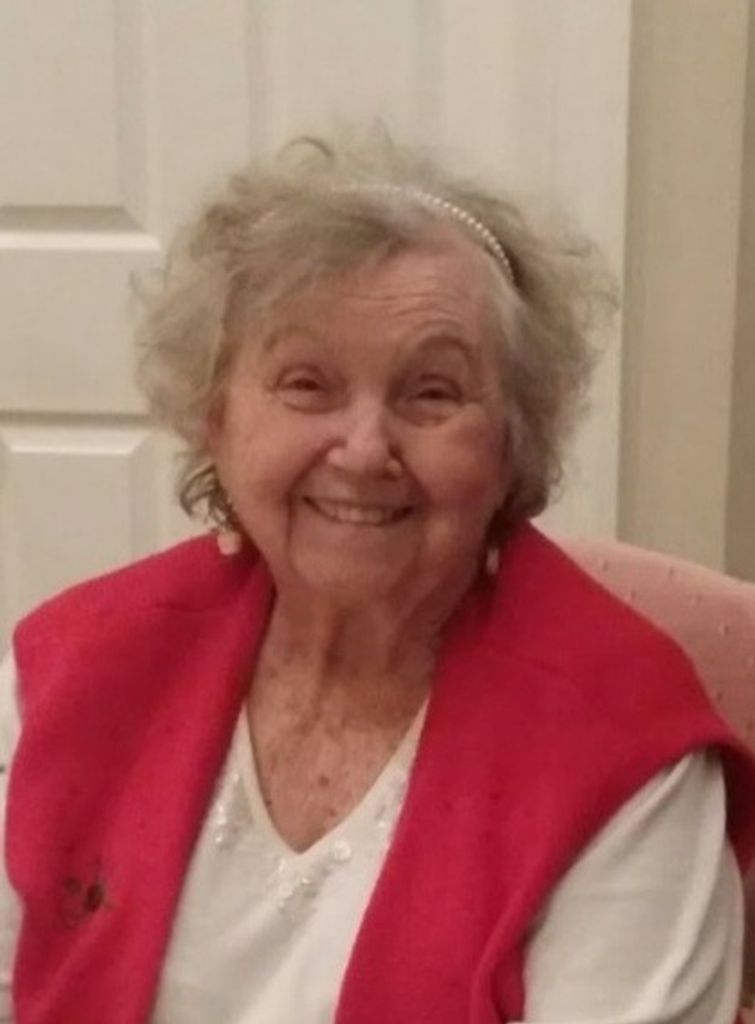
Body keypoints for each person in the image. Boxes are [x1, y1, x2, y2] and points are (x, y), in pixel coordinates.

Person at [1, 134, 754, 1024]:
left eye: (431, 393)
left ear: (511, 444)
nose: (363, 451)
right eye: (306, 384)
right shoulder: (78, 668)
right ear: (216, 420)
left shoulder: (621, 741)